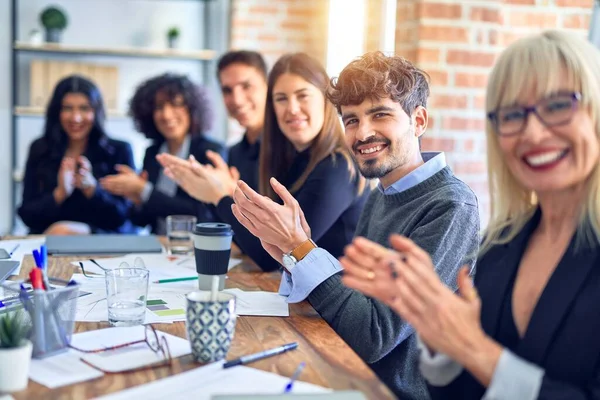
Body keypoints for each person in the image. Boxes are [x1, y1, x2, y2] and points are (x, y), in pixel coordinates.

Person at [341, 31, 600, 400]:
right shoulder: (501, 244)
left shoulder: (453, 205)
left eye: (558, 105)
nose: (534, 132)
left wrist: (477, 351)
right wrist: (440, 340)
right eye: (512, 114)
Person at [230, 51, 480, 399]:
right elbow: (353, 297)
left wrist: (302, 250)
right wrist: (295, 253)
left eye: (380, 114)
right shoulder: (383, 192)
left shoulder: (449, 206)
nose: (363, 133)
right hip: (346, 368)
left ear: (418, 120)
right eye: (351, 120)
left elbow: (375, 335)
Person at [161, 53, 369, 272]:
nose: (292, 108)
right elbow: (255, 242)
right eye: (281, 99)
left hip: (332, 302)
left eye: (303, 96)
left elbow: (273, 257)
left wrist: (221, 195)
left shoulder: (338, 166)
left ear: (326, 100)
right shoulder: (295, 160)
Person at [100, 73, 226, 234]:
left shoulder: (210, 151)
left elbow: (201, 212)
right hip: (158, 245)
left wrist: (144, 189)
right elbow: (141, 221)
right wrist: (136, 198)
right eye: (159, 107)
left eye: (175, 104)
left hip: (197, 245)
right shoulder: (152, 152)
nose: (166, 115)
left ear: (192, 109)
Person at [155, 51, 268, 223]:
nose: (236, 100)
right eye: (227, 90)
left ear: (268, 86)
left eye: (246, 86)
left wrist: (225, 193)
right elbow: (225, 224)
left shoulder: (288, 148)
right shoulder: (234, 153)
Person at [18, 75, 134, 235]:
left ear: (96, 112)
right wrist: (60, 193)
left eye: (84, 108)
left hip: (100, 242)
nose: (76, 117)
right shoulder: (40, 149)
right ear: (57, 112)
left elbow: (123, 217)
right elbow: (27, 215)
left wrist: (92, 190)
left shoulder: (119, 150)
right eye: (67, 108)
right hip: (49, 241)